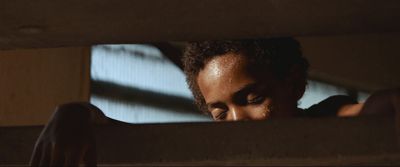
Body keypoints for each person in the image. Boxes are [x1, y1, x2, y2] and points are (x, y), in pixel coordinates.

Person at [30, 38, 399, 166]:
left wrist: (388, 99)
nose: (237, 123)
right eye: (219, 111)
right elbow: (121, 134)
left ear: (294, 84)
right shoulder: (211, 152)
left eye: (253, 98)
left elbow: (367, 110)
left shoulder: (322, 120)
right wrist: (75, 112)